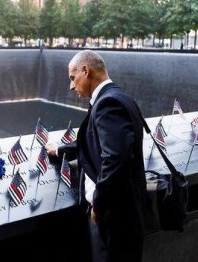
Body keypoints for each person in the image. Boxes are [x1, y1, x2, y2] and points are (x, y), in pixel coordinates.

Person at [46, 50, 147, 262]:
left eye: (73, 78)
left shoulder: (108, 104)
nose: (71, 86)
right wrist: (61, 150)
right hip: (123, 215)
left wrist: (100, 205)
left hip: (114, 219)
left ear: (86, 70)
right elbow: (95, 140)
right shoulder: (118, 96)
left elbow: (115, 159)